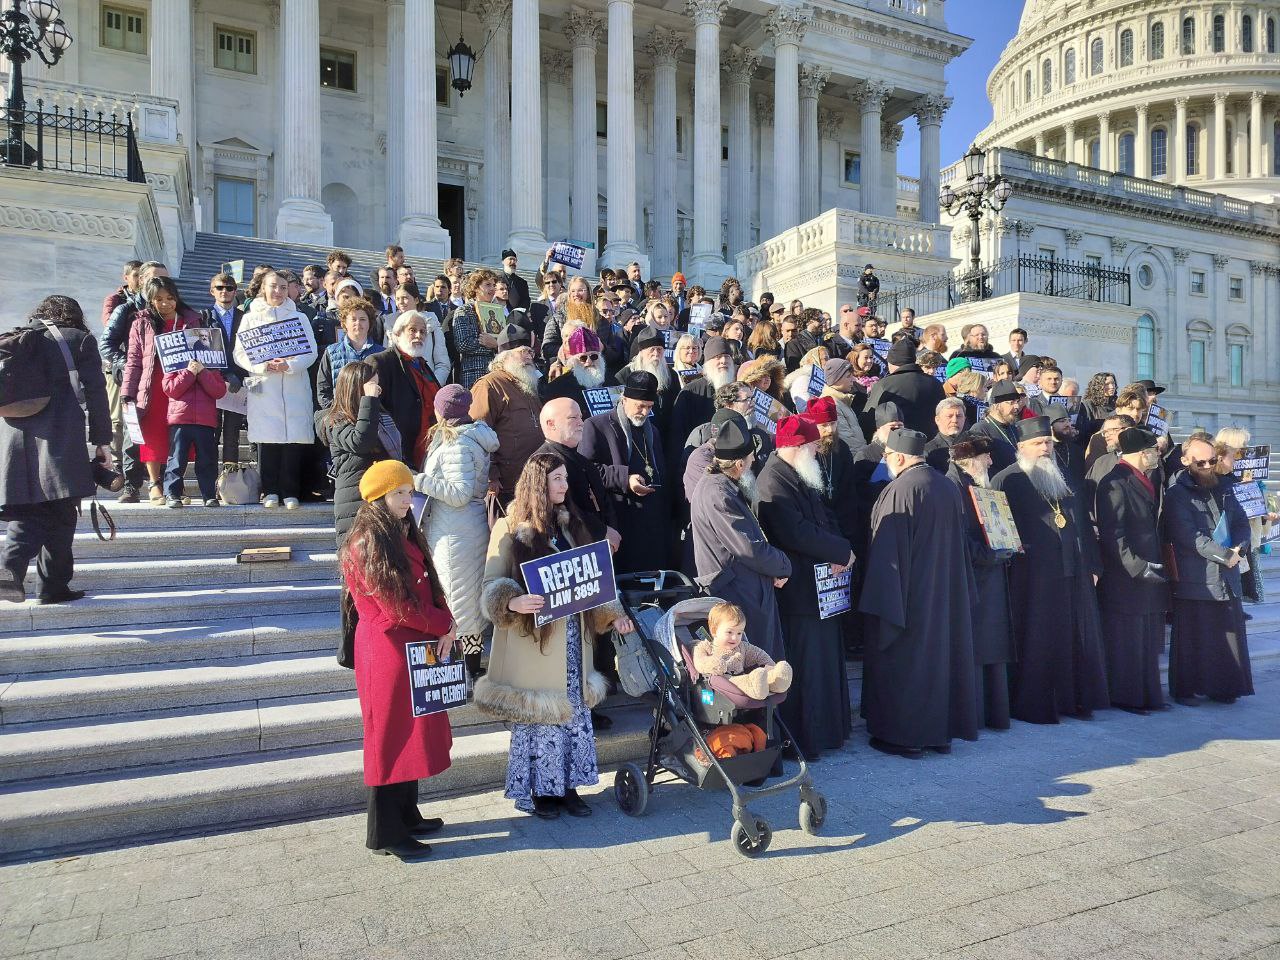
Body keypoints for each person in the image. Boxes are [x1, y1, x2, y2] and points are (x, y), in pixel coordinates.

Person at [477, 453, 634, 819]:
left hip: (574, 640)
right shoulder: (509, 526)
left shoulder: (571, 525)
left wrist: (614, 615)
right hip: (535, 641)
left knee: (574, 712)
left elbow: (593, 578)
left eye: (565, 478)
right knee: (541, 717)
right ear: (539, 484)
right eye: (557, 479)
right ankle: (540, 792)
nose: (564, 485)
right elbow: (489, 584)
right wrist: (512, 600)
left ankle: (569, 787)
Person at [340, 460, 456, 860]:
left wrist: (448, 622)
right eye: (399, 493)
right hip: (387, 651)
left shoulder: (400, 531)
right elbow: (394, 606)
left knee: (413, 732)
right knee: (388, 738)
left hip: (414, 644)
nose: (408, 499)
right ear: (378, 497)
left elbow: (428, 585)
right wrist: (442, 623)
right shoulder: (368, 540)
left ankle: (407, 814)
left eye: (409, 491)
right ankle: (386, 833)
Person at [857, 427, 979, 757]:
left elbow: (886, 557)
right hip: (944, 595)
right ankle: (938, 734)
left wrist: (878, 605)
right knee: (938, 664)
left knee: (906, 666)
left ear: (898, 457)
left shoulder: (899, 491)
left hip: (907, 598)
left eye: (887, 458)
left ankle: (904, 737)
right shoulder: (945, 485)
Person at [992, 416, 1110, 724]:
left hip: (1073, 569)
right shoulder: (1006, 480)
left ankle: (1073, 700)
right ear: (1021, 447)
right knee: (1038, 637)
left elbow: (1082, 523)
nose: (1045, 448)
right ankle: (1036, 705)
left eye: (1047, 442)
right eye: (1037, 443)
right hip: (1031, 576)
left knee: (1074, 637)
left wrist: (1093, 564)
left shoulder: (1065, 476)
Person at [755, 416, 855, 761]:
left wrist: (843, 547)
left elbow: (824, 518)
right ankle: (806, 738)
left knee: (825, 661)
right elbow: (795, 533)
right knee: (807, 666)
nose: (816, 450)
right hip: (798, 591)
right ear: (795, 447)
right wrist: (840, 551)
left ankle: (829, 732)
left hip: (821, 587)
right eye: (812, 446)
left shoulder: (798, 471)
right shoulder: (773, 481)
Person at [0, 296, 111, 605]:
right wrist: (102, 442)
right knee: (51, 509)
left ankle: (54, 585)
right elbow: (97, 394)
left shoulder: (20, 339)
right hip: (59, 437)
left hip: (14, 439)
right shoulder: (79, 340)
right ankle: (10, 568)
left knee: (52, 511)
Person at [416, 385, 500, 687]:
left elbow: (459, 494)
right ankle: (471, 669)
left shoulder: (458, 445)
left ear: (442, 411)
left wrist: (418, 480)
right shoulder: (468, 436)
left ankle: (461, 673)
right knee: (466, 602)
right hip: (462, 530)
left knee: (457, 602)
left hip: (456, 534)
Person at [1164, 436, 1254, 706]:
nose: (1206, 465)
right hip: (1197, 577)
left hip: (1228, 575)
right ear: (1184, 461)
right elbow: (1188, 537)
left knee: (1228, 632)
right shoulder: (1176, 494)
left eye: (1211, 460)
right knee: (1192, 638)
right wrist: (1225, 555)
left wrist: (1240, 548)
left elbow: (1241, 522)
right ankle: (1186, 690)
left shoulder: (1226, 487)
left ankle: (1224, 687)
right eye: (1199, 461)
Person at [1094, 427, 1170, 715]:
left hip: (1149, 571)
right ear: (1141, 453)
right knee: (1128, 640)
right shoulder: (1114, 482)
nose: (1156, 455)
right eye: (1152, 451)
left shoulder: (1146, 478)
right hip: (1127, 575)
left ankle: (1149, 694)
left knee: (1147, 638)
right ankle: (1128, 697)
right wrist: (1138, 567)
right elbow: (1114, 534)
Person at [231, 270, 319, 510]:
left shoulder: (299, 318)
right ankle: (269, 490)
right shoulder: (250, 318)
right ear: (263, 288)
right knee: (268, 442)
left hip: (293, 386)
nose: (278, 291)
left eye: (282, 287)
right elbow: (240, 353)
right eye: (273, 286)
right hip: (265, 386)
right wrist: (262, 365)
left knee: (292, 442)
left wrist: (289, 365)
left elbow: (310, 352)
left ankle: (290, 491)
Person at [946, 432, 1014, 730]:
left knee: (990, 645)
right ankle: (972, 716)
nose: (990, 460)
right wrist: (992, 555)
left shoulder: (977, 483)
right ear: (968, 460)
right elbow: (958, 541)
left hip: (989, 575)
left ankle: (993, 713)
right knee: (973, 648)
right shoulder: (953, 487)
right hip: (971, 579)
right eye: (985, 456)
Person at [579, 371, 672, 574]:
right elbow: (586, 469)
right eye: (640, 406)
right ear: (624, 399)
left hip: (651, 521)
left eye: (649, 407)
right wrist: (625, 478)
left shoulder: (653, 430)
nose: (645, 412)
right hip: (620, 517)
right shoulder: (597, 426)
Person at [121, 276, 202, 505]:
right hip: (152, 385)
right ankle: (155, 483)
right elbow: (134, 359)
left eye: (170, 298)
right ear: (150, 300)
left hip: (183, 385)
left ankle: (176, 484)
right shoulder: (141, 322)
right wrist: (128, 392)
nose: (165, 303)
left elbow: (202, 351)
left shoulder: (192, 320)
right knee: (153, 435)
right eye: (158, 299)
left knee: (179, 436)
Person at [320, 361, 402, 546]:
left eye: (377, 386)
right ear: (356, 388)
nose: (378, 391)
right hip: (355, 504)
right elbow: (361, 441)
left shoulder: (378, 415)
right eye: (373, 386)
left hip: (382, 500)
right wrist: (370, 400)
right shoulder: (335, 420)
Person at [469, 325, 545, 505]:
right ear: (505, 356)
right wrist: (491, 476)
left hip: (532, 481)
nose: (529, 356)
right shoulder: (489, 385)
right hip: (505, 486)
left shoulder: (527, 384)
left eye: (530, 352)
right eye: (523, 351)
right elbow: (476, 434)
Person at [370, 312, 444, 468]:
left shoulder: (422, 365)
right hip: (397, 450)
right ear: (397, 334)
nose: (419, 335)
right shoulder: (381, 362)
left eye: (423, 331)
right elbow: (372, 408)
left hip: (427, 447)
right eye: (412, 330)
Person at [160, 339, 228, 509]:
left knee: (207, 460)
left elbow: (219, 391)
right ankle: (172, 494)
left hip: (205, 421)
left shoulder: (212, 367)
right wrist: (189, 373)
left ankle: (209, 495)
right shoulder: (174, 364)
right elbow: (170, 388)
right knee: (176, 459)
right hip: (180, 420)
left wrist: (203, 372)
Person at [692, 602, 793, 700]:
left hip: (742, 678)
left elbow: (759, 655)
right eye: (729, 632)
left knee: (761, 676)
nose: (735, 637)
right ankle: (755, 685)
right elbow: (700, 661)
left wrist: (771, 667)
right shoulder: (706, 647)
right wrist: (713, 664)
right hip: (723, 684)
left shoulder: (742, 647)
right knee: (750, 680)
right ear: (714, 631)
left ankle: (777, 681)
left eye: (739, 633)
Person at [201, 272, 248, 468]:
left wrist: (237, 375)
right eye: (220, 288)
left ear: (235, 291)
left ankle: (229, 480)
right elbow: (201, 351)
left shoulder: (244, 317)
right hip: (213, 381)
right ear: (212, 291)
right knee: (211, 433)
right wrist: (222, 373)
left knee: (232, 435)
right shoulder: (203, 316)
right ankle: (210, 478)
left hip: (238, 382)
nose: (224, 291)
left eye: (229, 288)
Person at [668, 336, 735, 457]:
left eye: (727, 356)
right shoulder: (691, 392)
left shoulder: (738, 390)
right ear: (708, 362)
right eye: (718, 357)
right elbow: (677, 436)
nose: (723, 361)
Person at [866, 338, 946, 438]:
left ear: (892, 362)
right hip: (933, 443)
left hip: (900, 446)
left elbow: (868, 420)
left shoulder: (885, 385)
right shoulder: (935, 383)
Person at [316, 298, 385, 410]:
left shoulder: (382, 353)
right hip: (340, 417)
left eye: (362, 319)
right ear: (344, 323)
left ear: (370, 323)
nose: (358, 323)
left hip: (374, 415)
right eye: (353, 319)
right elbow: (323, 389)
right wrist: (335, 412)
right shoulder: (331, 351)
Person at [542, 325, 612, 415]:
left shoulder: (612, 381)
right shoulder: (557, 389)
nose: (589, 362)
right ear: (573, 360)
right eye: (583, 358)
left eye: (594, 356)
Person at [452, 269, 502, 389]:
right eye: (488, 285)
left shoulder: (498, 311)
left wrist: (496, 345)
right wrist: (487, 344)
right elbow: (463, 344)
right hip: (474, 375)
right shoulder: (464, 311)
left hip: (496, 373)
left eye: (494, 285)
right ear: (475, 288)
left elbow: (502, 343)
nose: (492, 289)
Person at [969, 380, 1022, 473]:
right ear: (997, 405)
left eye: (1017, 401)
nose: (1017, 406)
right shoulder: (980, 429)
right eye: (1012, 402)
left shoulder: (1014, 428)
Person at [924, 397, 967, 472]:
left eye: (959, 416)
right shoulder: (928, 451)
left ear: (965, 419)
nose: (955, 420)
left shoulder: (973, 445)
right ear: (937, 420)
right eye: (949, 416)